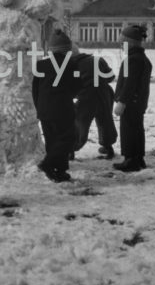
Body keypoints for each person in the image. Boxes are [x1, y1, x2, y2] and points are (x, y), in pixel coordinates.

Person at [32, 29, 81, 182]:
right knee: (68, 138)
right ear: (67, 49)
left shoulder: (40, 65)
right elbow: (76, 87)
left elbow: (35, 89)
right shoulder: (73, 65)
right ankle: (49, 164)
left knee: (52, 140)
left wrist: (39, 107)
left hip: (44, 110)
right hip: (63, 109)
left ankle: (58, 172)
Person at [113, 24, 152, 172]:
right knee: (137, 129)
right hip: (138, 102)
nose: (121, 46)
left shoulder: (132, 60)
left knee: (129, 130)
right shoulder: (142, 58)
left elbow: (129, 84)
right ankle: (138, 158)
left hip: (131, 102)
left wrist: (122, 102)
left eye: (123, 42)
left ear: (130, 42)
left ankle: (130, 160)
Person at [71, 45, 117, 159]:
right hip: (104, 94)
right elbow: (111, 77)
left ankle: (71, 150)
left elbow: (72, 86)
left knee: (80, 123)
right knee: (105, 121)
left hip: (86, 97)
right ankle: (108, 147)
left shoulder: (71, 66)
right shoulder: (98, 60)